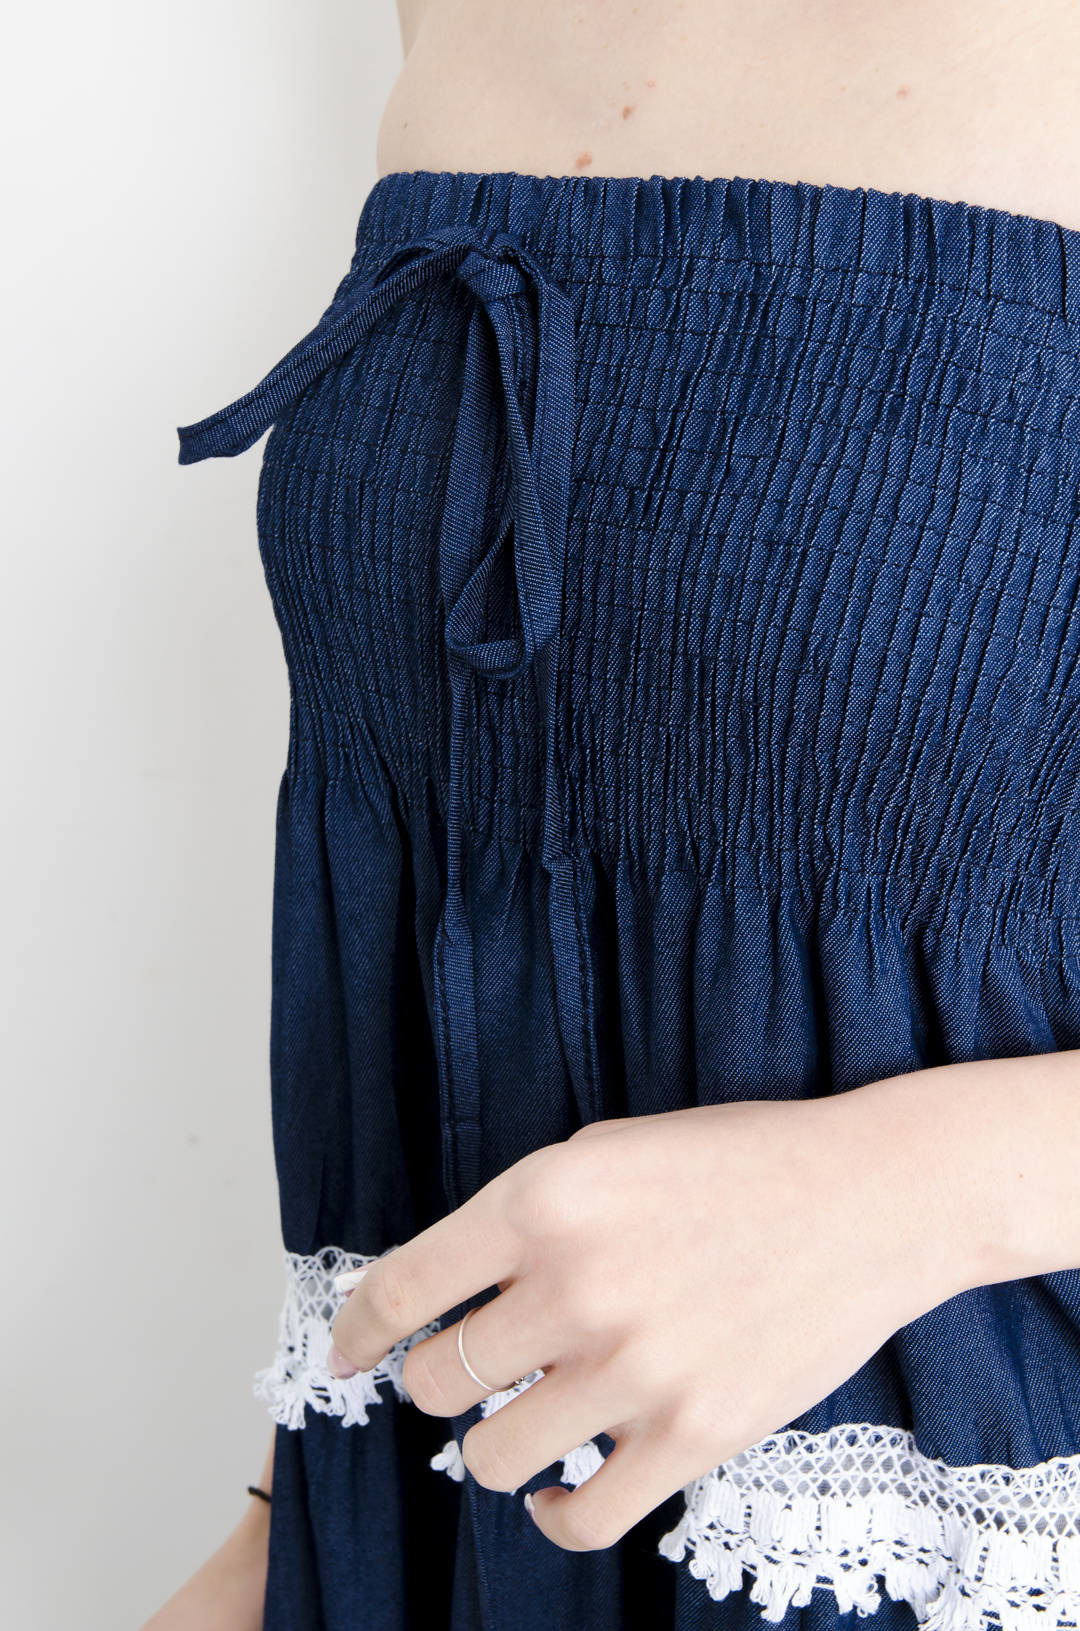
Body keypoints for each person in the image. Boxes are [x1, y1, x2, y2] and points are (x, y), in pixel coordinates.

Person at [146, 2, 1080, 1627]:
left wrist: (911, 1188)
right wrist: (298, 1514)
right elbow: (468, 883)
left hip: (962, 1525)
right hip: (464, 1528)